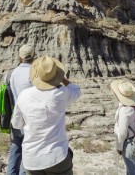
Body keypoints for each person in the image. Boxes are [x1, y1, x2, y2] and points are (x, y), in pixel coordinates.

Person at [11, 55, 81, 175]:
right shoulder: (61, 93)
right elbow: (77, 90)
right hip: (57, 156)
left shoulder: (24, 95)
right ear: (56, 75)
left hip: (32, 159)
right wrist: (62, 79)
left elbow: (16, 124)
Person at [6, 44, 36, 175]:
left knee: (15, 149)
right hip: (31, 119)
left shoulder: (10, 73)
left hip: (15, 117)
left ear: (20, 56)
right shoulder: (35, 73)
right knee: (28, 152)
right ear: (34, 56)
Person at [111, 79, 135, 175]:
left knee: (133, 170)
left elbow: (122, 132)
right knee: (133, 168)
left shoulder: (125, 110)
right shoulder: (133, 106)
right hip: (134, 141)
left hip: (128, 144)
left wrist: (119, 147)